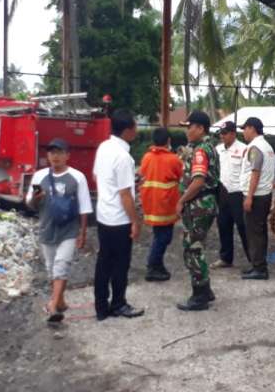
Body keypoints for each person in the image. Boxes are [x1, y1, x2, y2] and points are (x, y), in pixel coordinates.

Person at [26, 138, 93, 323]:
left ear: (67, 156)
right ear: (47, 155)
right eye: (52, 152)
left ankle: (53, 307)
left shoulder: (77, 177)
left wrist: (83, 233)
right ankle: (61, 300)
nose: (55, 156)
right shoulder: (39, 177)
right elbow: (30, 204)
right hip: (47, 230)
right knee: (51, 269)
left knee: (61, 265)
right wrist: (37, 198)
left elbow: (84, 207)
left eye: (59, 152)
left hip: (69, 230)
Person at [92, 109, 144, 320]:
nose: (136, 130)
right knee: (121, 264)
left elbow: (97, 176)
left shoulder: (104, 147)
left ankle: (101, 307)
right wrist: (135, 221)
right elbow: (125, 195)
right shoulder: (124, 157)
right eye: (134, 126)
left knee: (104, 261)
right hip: (119, 219)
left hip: (104, 215)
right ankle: (119, 303)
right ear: (127, 131)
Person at [176, 111, 220, 311]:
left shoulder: (201, 151)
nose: (187, 131)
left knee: (192, 248)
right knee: (197, 245)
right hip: (205, 203)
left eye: (190, 126)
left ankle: (199, 295)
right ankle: (206, 290)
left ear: (200, 128)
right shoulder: (208, 147)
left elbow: (198, 181)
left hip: (198, 205)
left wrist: (181, 201)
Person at [139, 127, 183, 282]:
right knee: (164, 237)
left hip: (150, 203)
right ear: (169, 141)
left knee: (159, 235)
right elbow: (181, 176)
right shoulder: (173, 159)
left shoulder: (146, 157)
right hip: (165, 205)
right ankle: (153, 266)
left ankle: (157, 265)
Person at [239, 117, 275, 280]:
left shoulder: (255, 147)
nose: (243, 132)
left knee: (254, 233)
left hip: (256, 196)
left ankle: (259, 268)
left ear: (252, 128)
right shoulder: (267, 146)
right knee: (259, 231)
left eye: (244, 129)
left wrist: (249, 197)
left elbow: (255, 173)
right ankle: (258, 264)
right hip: (264, 195)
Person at [213, 121, 249, 269]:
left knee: (243, 226)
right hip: (222, 191)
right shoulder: (218, 149)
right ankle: (226, 258)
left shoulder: (243, 149)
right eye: (221, 133)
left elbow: (247, 172)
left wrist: (247, 194)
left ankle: (253, 259)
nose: (222, 136)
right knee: (223, 224)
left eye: (225, 133)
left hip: (238, 192)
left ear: (233, 133)